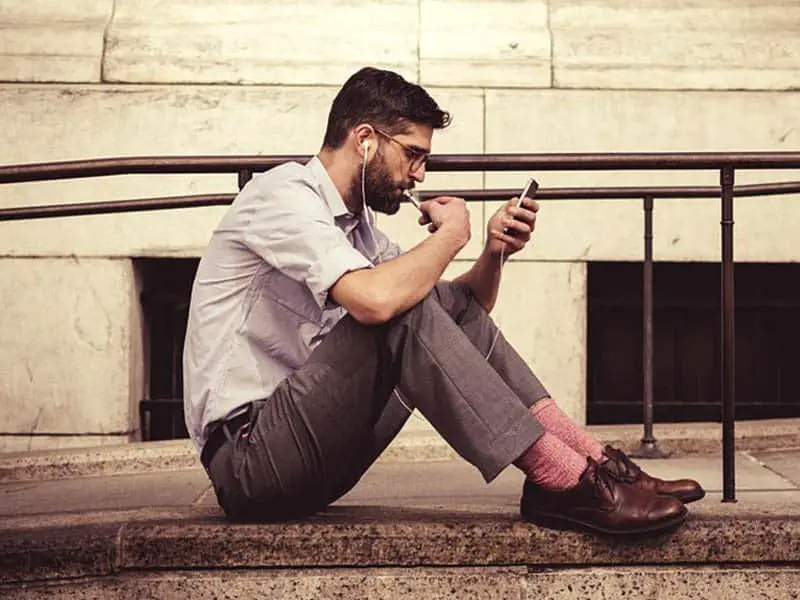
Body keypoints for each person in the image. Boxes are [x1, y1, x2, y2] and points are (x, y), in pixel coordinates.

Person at [183, 66, 704, 536]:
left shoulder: (360, 230)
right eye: (413, 154)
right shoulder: (282, 196)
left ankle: (594, 465)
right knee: (394, 306)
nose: (420, 175)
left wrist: (493, 250)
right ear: (364, 140)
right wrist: (449, 236)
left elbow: (458, 311)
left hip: (317, 455)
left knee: (428, 302)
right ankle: (563, 480)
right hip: (251, 460)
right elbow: (376, 304)